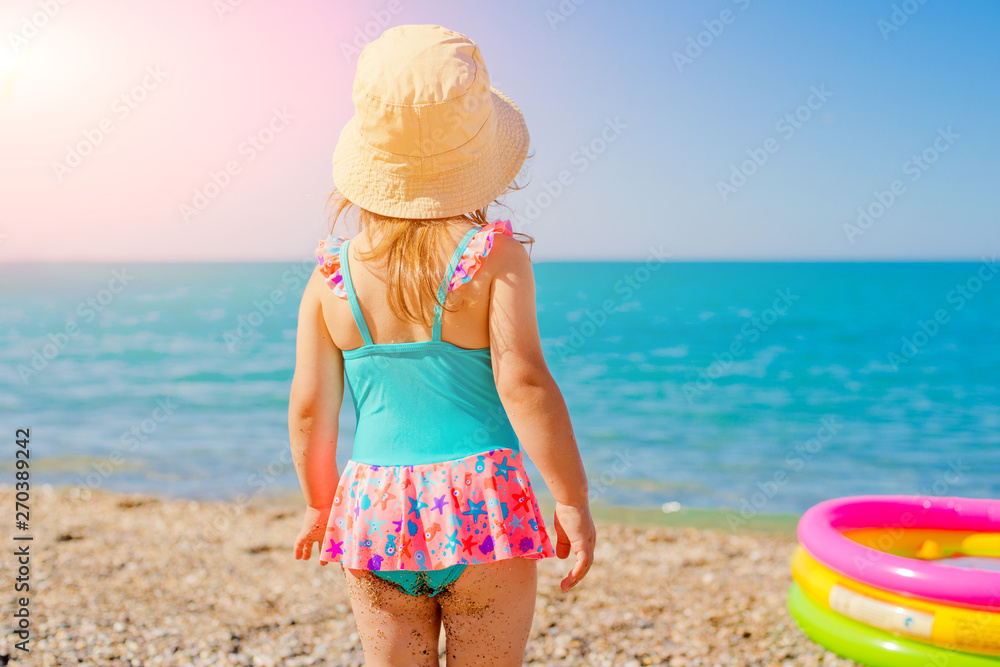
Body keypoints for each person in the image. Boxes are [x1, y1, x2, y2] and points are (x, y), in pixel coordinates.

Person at [288, 24, 596, 666]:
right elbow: (525, 383)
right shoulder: (492, 256)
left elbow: (311, 409)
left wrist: (322, 504)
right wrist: (569, 497)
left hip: (373, 510)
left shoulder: (330, 275)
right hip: (482, 506)